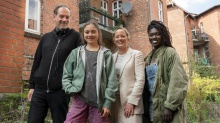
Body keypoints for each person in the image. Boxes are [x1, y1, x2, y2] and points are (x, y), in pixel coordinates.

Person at [27, 5, 81, 123]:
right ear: (54, 17)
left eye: (67, 17)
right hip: (40, 90)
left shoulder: (75, 37)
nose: (64, 20)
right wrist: (32, 86)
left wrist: (71, 85)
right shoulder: (45, 37)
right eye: (61, 16)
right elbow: (37, 61)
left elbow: (80, 63)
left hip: (60, 91)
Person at [62, 20, 118, 123]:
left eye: (93, 31)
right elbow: (67, 74)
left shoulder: (106, 54)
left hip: (99, 101)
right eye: (87, 32)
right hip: (79, 99)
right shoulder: (76, 52)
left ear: (98, 33)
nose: (90, 34)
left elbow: (112, 80)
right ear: (83, 34)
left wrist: (107, 103)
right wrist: (69, 88)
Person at [142, 20, 188, 123]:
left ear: (163, 35)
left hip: (168, 107)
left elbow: (178, 80)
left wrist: (170, 106)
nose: (154, 37)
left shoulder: (170, 53)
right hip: (153, 106)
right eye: (151, 35)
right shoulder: (148, 58)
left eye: (157, 34)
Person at [110, 27, 145, 123]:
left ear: (128, 38)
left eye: (122, 36)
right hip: (114, 104)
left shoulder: (136, 54)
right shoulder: (111, 57)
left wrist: (131, 102)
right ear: (114, 40)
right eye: (117, 37)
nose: (119, 39)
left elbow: (140, 80)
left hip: (130, 104)